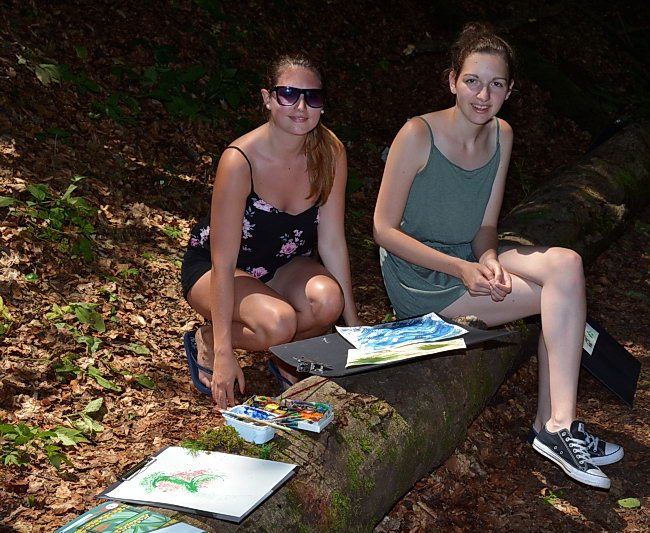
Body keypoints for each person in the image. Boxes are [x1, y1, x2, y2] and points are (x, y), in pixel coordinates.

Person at [373, 23, 623, 489]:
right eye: (472, 81)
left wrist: (487, 257)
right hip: (420, 276)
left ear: (510, 91)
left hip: (466, 260)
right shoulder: (417, 134)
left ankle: (556, 424)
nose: (482, 95)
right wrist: (462, 269)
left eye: (496, 84)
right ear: (452, 81)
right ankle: (555, 426)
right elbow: (383, 230)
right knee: (558, 298)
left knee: (566, 265)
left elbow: (485, 226)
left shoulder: (502, 135)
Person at [181, 55, 361, 410]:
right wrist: (224, 352)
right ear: (267, 98)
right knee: (278, 323)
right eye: (289, 94)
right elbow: (222, 260)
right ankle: (210, 336)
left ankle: (284, 357)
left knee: (329, 300)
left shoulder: (330, 152)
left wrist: (353, 325)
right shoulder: (240, 159)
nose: (301, 107)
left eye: (312, 97)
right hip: (218, 268)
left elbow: (332, 242)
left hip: (282, 263)